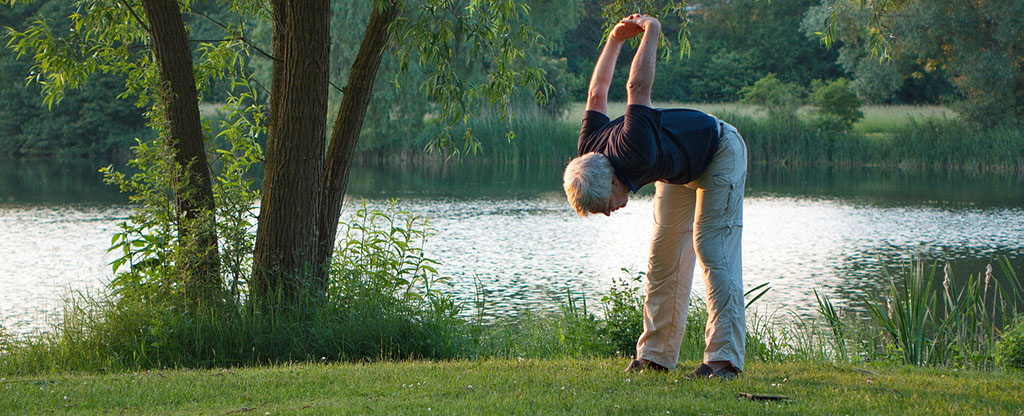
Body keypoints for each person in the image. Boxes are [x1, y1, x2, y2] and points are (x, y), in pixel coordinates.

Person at [562, 14, 747, 379]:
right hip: (679, 168)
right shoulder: (589, 151)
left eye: (605, 208)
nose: (610, 214)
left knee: (711, 248)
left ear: (613, 183)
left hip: (720, 150)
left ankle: (724, 361)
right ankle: (655, 356)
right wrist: (614, 40)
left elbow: (637, 88)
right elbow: (596, 94)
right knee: (663, 257)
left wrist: (652, 32)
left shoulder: (635, 149)